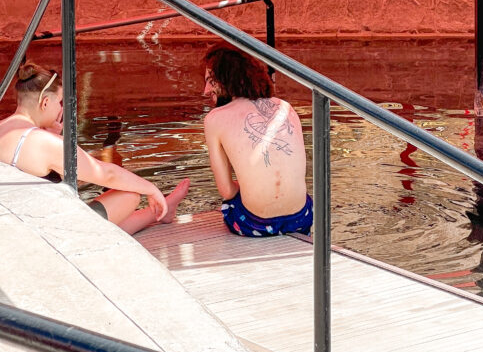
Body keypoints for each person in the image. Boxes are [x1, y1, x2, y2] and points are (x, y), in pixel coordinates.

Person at [0, 63, 189, 235]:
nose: (61, 110)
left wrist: (55, 135)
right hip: (43, 236)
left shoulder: (6, 128)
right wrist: (151, 188)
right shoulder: (42, 141)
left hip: (16, 230)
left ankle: (161, 212)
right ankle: (162, 209)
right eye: (60, 102)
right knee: (129, 194)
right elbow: (106, 174)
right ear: (45, 103)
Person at [202, 45, 312, 237]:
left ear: (227, 79)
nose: (205, 90)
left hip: (255, 224)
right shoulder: (285, 107)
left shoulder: (215, 118)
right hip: (301, 218)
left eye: (211, 81)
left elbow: (226, 191)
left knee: (229, 203)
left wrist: (246, 186)